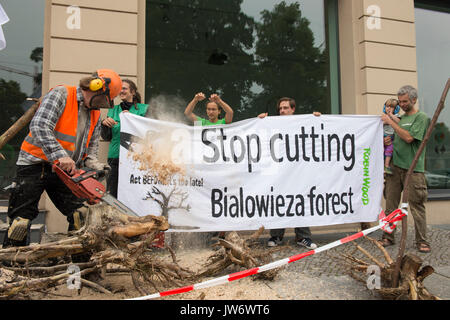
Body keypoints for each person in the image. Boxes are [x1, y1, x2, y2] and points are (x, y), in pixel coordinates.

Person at [2, 69, 122, 248]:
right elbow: (40, 125)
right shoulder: (62, 94)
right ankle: (12, 265)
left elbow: (91, 149)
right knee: (21, 221)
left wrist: (95, 165)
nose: (105, 105)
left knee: (80, 214)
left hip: (64, 171)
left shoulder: (95, 114)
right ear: (97, 87)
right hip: (35, 164)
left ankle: (75, 260)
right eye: (106, 100)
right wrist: (60, 156)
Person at [258, 97, 319, 250]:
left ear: (293, 109)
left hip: (298, 171)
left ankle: (303, 236)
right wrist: (260, 121)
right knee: (278, 201)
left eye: (285, 108)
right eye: (280, 109)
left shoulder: (302, 123)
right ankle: (276, 235)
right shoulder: (272, 124)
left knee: (300, 201)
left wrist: (317, 119)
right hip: (279, 171)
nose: (282, 111)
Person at [379, 85, 431, 253]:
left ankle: (422, 241)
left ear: (414, 100)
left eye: (405, 101)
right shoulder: (400, 118)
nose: (401, 104)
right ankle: (388, 236)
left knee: (417, 206)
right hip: (395, 166)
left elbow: (409, 138)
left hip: (413, 170)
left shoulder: (420, 118)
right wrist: (387, 140)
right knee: (391, 204)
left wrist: (391, 124)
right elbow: (396, 135)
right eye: (400, 101)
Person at [101, 79, 149, 198]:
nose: (121, 91)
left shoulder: (145, 109)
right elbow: (106, 137)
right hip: (115, 157)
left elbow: (150, 133)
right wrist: (104, 124)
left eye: (124, 88)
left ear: (132, 92)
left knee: (135, 195)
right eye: (119, 89)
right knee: (112, 194)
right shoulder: (113, 109)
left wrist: (132, 120)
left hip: (136, 158)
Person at [383, 98, 400, 175]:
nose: (389, 108)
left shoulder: (396, 116)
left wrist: (390, 116)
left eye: (391, 107)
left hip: (391, 137)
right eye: (387, 106)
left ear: (396, 109)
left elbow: (399, 121)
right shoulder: (383, 116)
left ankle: (386, 166)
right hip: (383, 136)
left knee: (389, 151)